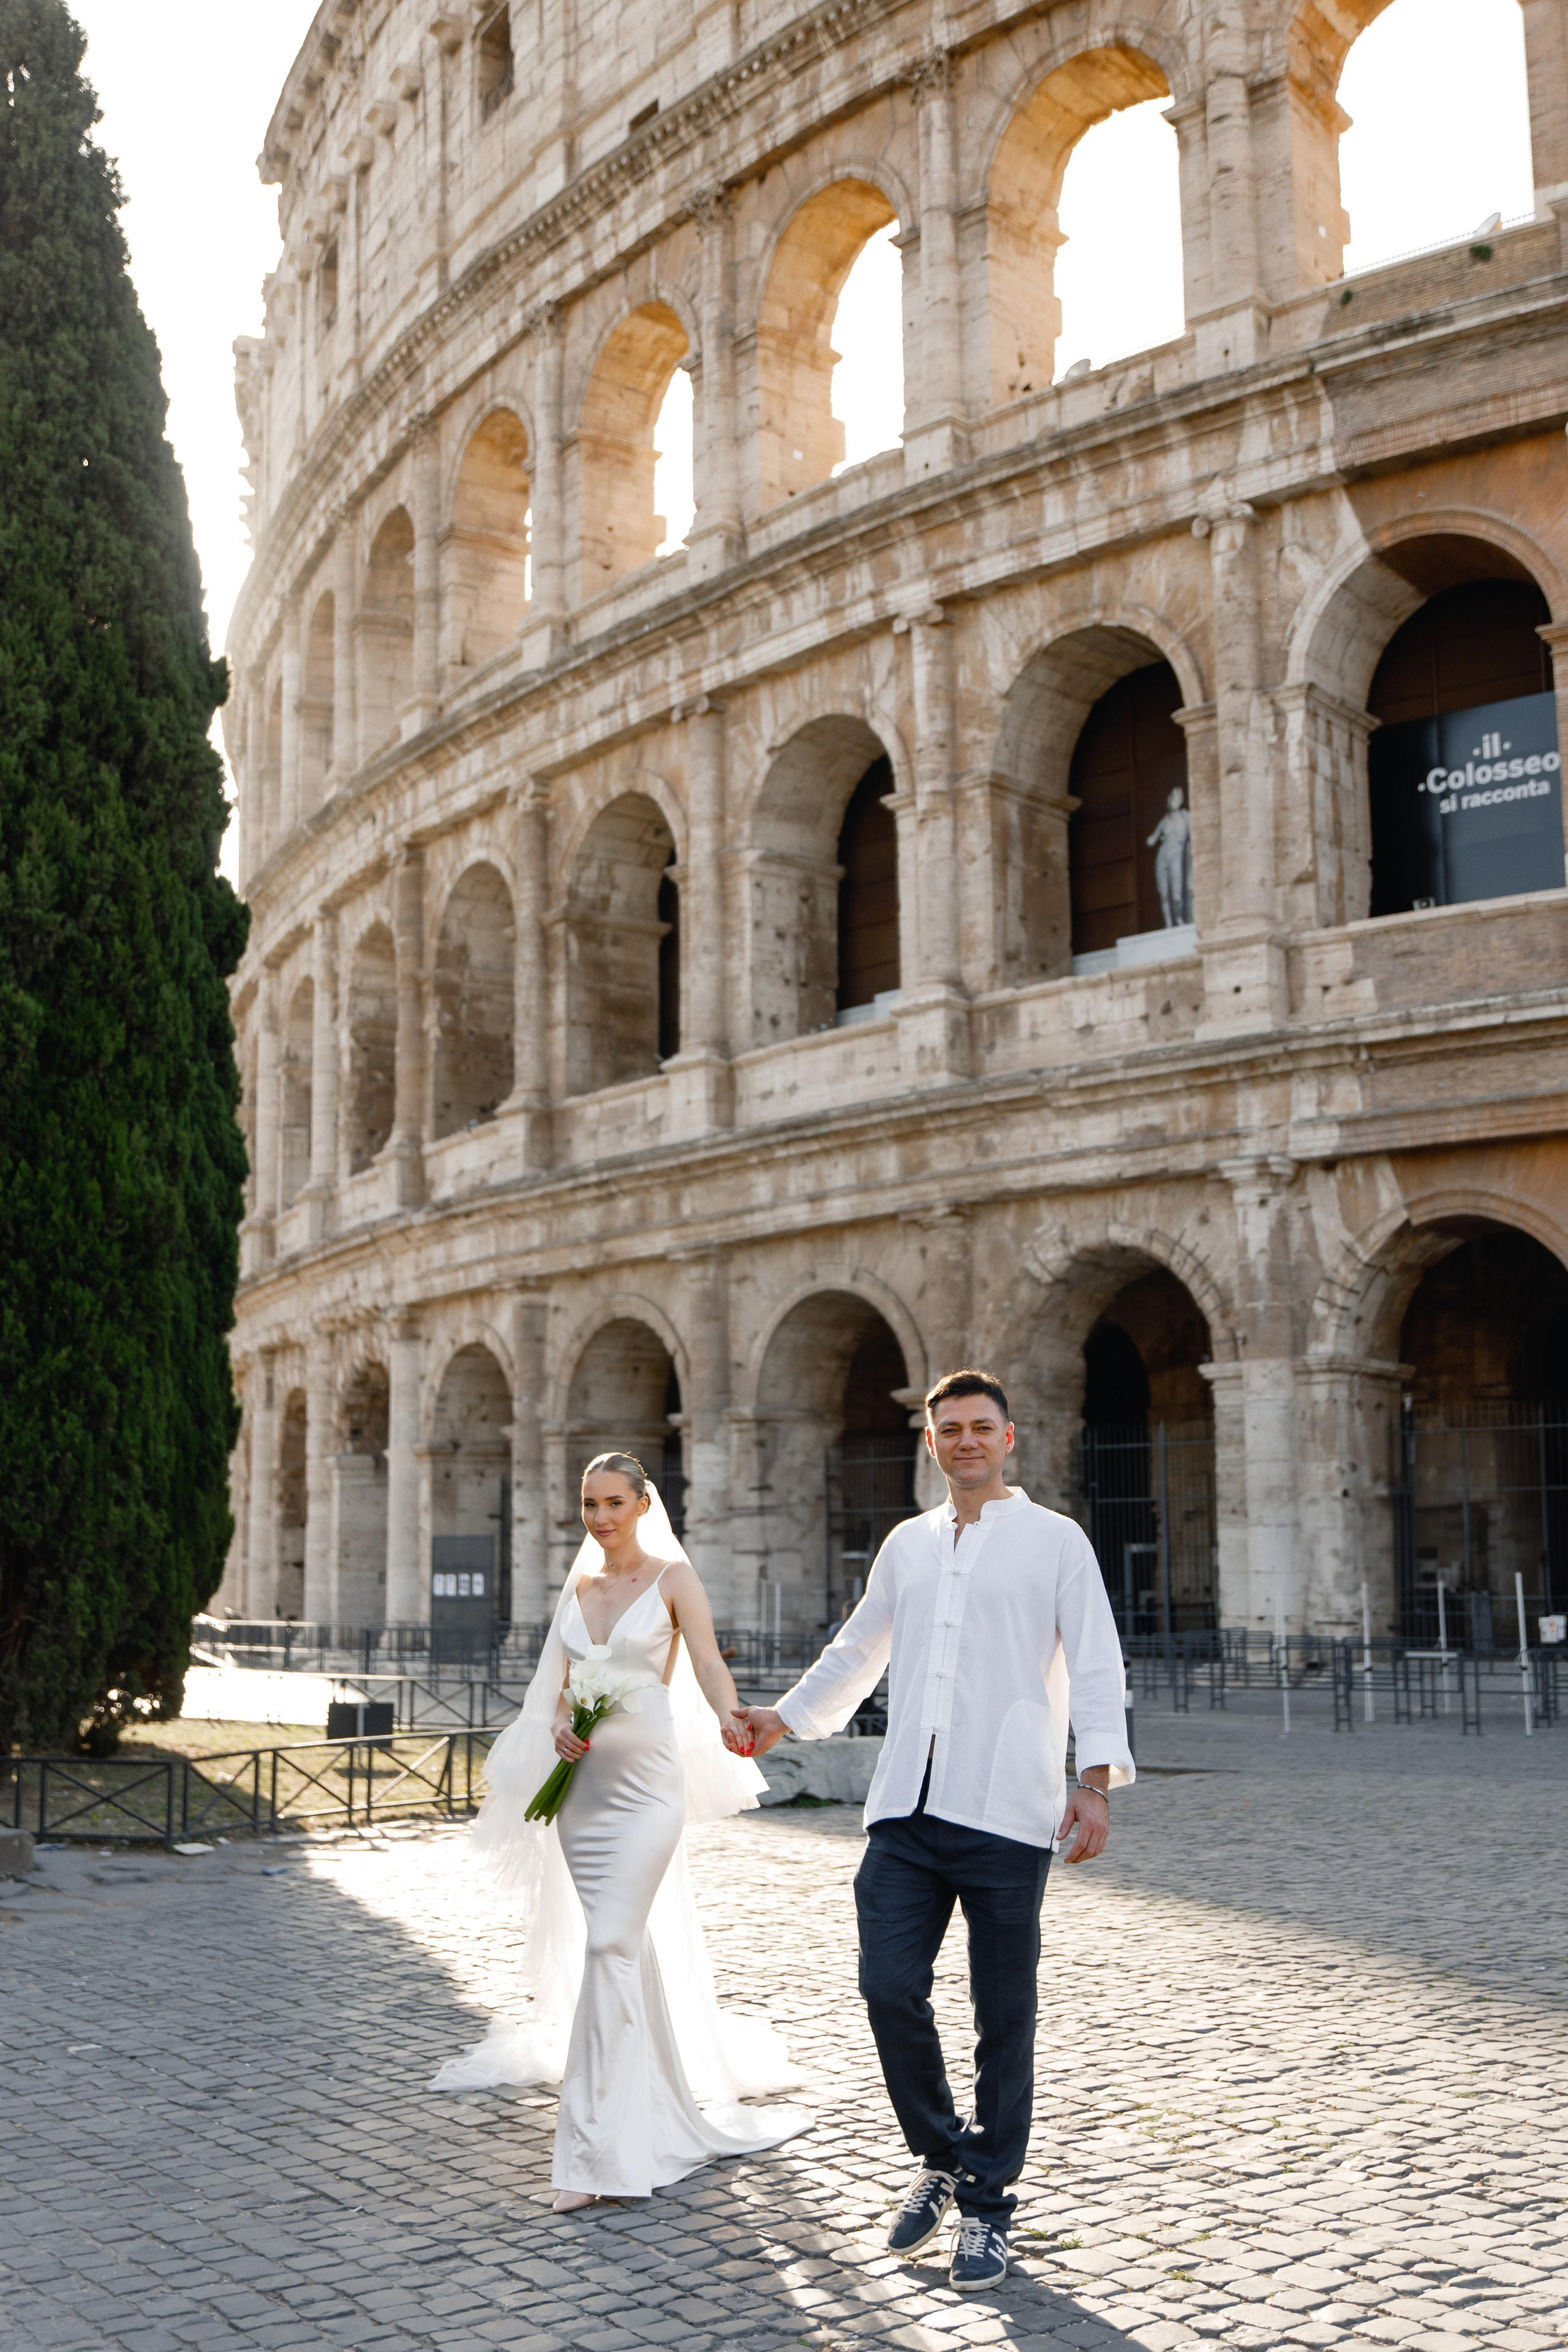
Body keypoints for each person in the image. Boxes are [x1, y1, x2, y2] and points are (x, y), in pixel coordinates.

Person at [740, 1370, 1133, 2293]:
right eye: (948, 1428)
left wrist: (1095, 1781)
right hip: (904, 1811)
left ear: (1009, 1439)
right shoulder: (908, 1547)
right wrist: (781, 1720)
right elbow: (856, 1650)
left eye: (979, 1428)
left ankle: (988, 2206)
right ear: (930, 1443)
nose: (964, 1441)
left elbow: (1100, 1660)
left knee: (1004, 2018)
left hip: (1006, 1809)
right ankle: (947, 2153)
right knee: (886, 1988)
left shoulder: (1056, 1542)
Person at [434, 1451, 809, 2207]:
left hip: (647, 1791)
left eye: (614, 1503)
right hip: (585, 1797)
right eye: (589, 1505)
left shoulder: (674, 1580)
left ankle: (594, 2155)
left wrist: (731, 1712)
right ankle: (653, 2110)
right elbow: (562, 1690)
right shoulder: (578, 1587)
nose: (601, 1518)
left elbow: (704, 1663)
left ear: (644, 1504)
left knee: (607, 1945)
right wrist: (564, 1725)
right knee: (620, 1951)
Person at [1147, 785, 1193, 928]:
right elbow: (1152, 840)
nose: (1175, 800)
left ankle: (1179, 919)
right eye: (1173, 797)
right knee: (1165, 895)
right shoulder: (1164, 821)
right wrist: (1152, 839)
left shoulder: (1186, 817)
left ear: (1181, 801)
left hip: (1176, 858)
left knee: (1177, 896)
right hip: (1162, 857)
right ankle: (1168, 925)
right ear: (1169, 800)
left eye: (1178, 797)